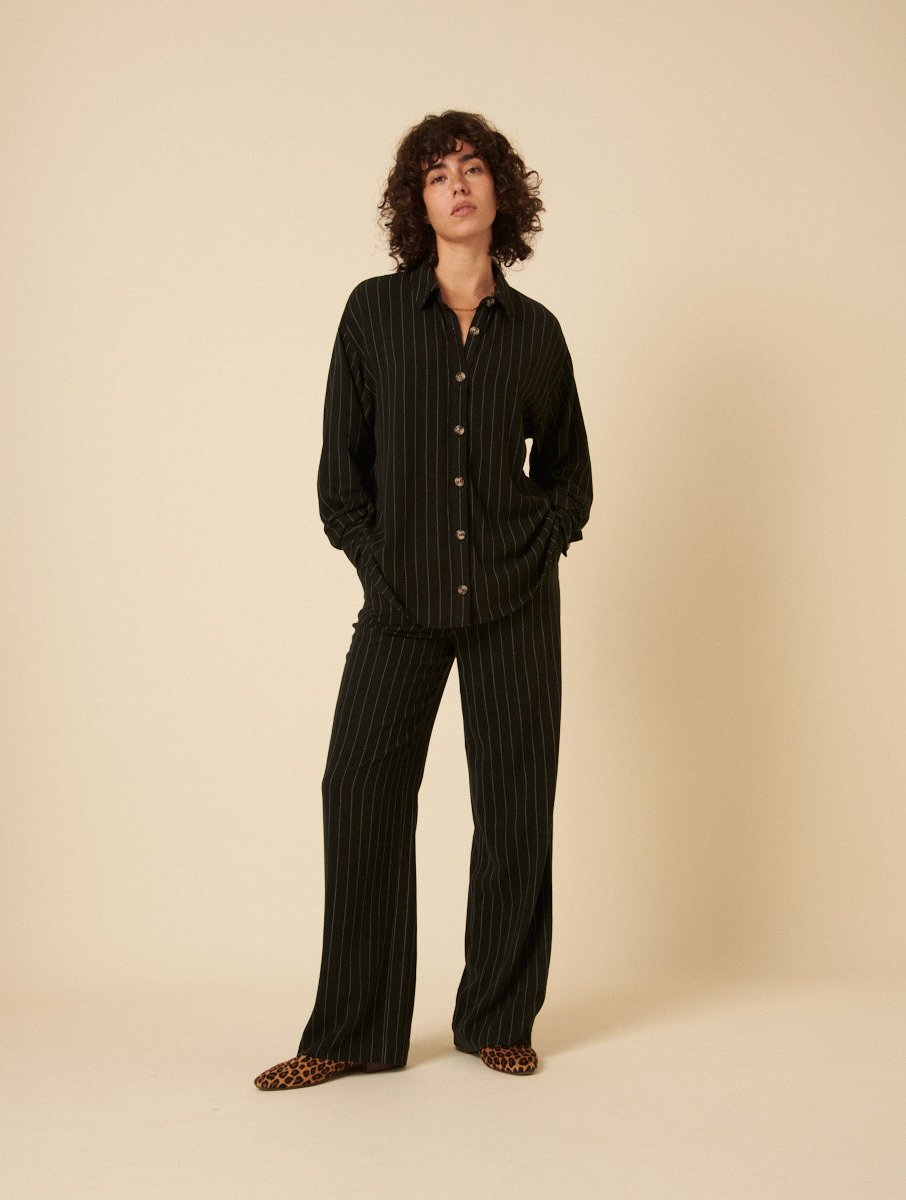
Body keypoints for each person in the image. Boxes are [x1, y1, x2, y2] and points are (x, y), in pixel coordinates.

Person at [254, 111, 592, 1089]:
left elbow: (568, 477)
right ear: (417, 202)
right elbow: (341, 479)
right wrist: (381, 571)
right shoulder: (371, 315)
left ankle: (498, 1017)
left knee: (514, 808)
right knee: (358, 791)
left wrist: (534, 551)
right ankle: (352, 1032)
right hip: (401, 596)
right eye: (437, 173)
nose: (457, 184)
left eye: (472, 168)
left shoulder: (536, 334)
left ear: (500, 192)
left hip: (513, 598)